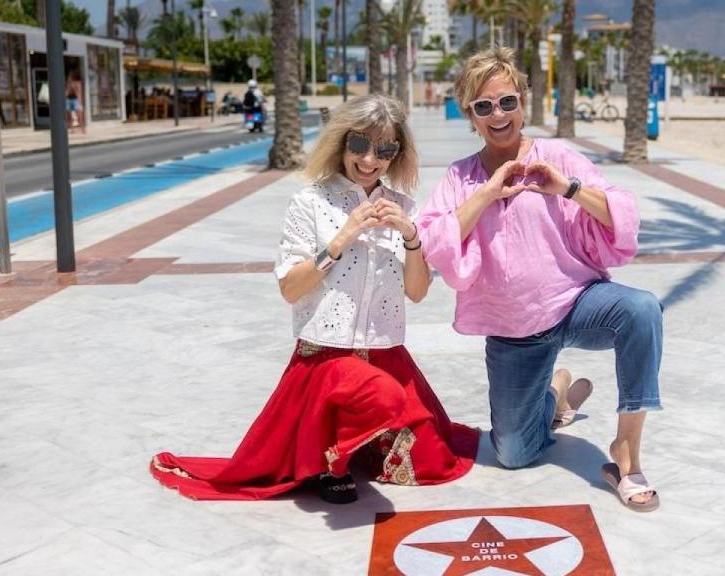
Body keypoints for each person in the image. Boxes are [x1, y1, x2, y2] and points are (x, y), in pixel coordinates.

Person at [151, 94, 479, 503]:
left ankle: (349, 445)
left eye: (384, 150)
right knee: (384, 398)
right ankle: (331, 456)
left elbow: (416, 292)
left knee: (432, 463)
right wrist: (341, 240)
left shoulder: (402, 207)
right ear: (341, 142)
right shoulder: (311, 203)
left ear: (397, 154)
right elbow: (290, 288)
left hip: (385, 354)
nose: (369, 160)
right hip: (325, 357)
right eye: (359, 144)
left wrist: (411, 237)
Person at [417, 48, 664, 512]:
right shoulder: (460, 176)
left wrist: (567, 188)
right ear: (470, 114)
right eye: (484, 106)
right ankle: (556, 394)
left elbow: (621, 210)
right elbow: (432, 239)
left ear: (523, 102)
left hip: (576, 304)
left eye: (507, 102)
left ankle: (627, 454)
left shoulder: (556, 156)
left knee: (642, 310)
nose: (498, 115)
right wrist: (487, 194)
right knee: (512, 453)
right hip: (513, 329)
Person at [66, 69, 85, 134]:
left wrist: (80, 101)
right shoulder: (69, 83)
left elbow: (79, 93)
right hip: (69, 99)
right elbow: (67, 92)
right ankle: (72, 129)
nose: (69, 77)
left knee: (79, 115)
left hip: (75, 100)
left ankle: (82, 128)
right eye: (69, 76)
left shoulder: (77, 83)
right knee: (70, 116)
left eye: (70, 76)